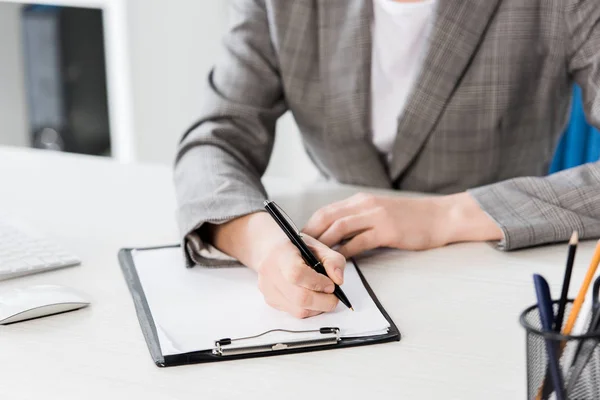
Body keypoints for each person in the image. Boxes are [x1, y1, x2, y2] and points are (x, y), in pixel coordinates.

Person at [174, 0, 600, 318]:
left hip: (493, 285)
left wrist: (445, 215)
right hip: (341, 286)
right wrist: (263, 244)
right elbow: (215, 140)